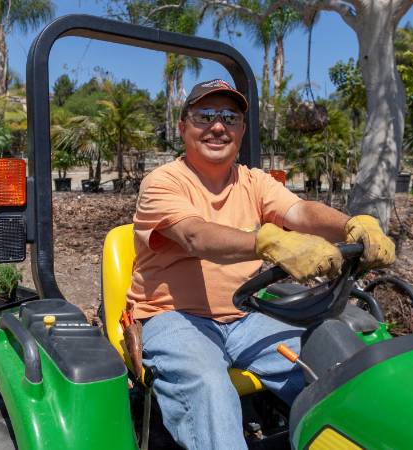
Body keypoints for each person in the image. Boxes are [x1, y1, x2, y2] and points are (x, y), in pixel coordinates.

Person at [126, 79, 395, 450]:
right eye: (205, 116)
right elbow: (195, 236)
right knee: (207, 383)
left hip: (247, 314)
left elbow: (299, 211)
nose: (218, 126)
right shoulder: (163, 182)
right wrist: (268, 241)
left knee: (330, 365)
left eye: (229, 117)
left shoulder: (253, 180)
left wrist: (351, 225)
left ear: (241, 129)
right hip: (174, 317)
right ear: (182, 126)